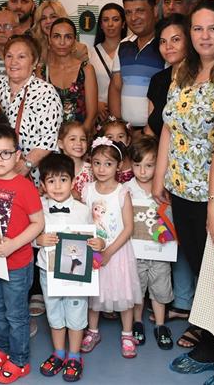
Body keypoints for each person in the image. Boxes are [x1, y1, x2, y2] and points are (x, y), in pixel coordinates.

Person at [152, 0, 214, 381]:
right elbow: (169, 126)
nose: (204, 36)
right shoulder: (182, 70)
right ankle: (212, 341)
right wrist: (160, 176)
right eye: (198, 28)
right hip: (181, 189)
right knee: (201, 269)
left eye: (213, 28)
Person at [0, 124, 45, 384]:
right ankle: (2, 349)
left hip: (17, 263)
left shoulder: (25, 187)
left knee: (16, 315)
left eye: (5, 153)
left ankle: (19, 360)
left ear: (17, 155)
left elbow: (38, 223)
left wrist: (13, 244)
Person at [35, 153, 101, 381]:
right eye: (51, 181)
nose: (57, 186)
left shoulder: (83, 210)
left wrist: (99, 244)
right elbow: (31, 234)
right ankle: (58, 353)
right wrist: (39, 240)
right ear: (43, 184)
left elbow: (95, 236)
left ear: (72, 182)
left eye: (63, 180)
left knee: (76, 313)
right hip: (48, 270)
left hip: (76, 274)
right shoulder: (39, 208)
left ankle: (74, 356)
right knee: (54, 313)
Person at [80, 138, 142, 359]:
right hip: (93, 251)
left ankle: (127, 334)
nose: (101, 169)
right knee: (94, 293)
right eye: (97, 163)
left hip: (117, 251)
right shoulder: (87, 190)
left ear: (118, 165)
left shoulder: (122, 192)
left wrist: (109, 251)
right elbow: (82, 219)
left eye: (108, 164)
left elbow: (129, 227)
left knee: (123, 293)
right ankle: (92, 331)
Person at [125, 135, 175, 351]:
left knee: (160, 288)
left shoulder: (164, 189)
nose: (142, 171)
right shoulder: (126, 189)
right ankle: (137, 322)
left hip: (160, 251)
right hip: (134, 252)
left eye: (149, 165)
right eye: (137, 165)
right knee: (137, 289)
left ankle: (160, 325)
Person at [0, 35, 63, 180]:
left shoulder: (45, 92)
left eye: (21, 57)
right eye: (9, 56)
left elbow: (50, 137)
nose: (13, 62)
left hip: (33, 174)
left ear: (34, 62)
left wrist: (26, 164)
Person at [109, 0, 162, 133]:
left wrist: (150, 131)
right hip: (127, 132)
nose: (133, 18)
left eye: (140, 11)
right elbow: (116, 87)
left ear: (154, 11)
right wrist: (118, 126)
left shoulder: (166, 45)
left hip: (155, 133)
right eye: (128, 12)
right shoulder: (123, 45)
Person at [42, 18, 98, 135]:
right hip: (49, 139)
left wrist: (77, 139)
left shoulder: (86, 70)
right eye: (57, 36)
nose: (62, 42)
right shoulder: (42, 71)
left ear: (74, 40)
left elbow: (92, 115)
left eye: (68, 37)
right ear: (49, 40)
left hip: (80, 140)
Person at [145, 14, 188, 138]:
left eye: (175, 39)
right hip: (157, 147)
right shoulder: (157, 80)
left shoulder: (201, 80)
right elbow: (150, 128)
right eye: (163, 41)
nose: (168, 46)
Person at [89, 3, 127, 123]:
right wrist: (95, 103)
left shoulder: (131, 52)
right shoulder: (90, 54)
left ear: (123, 24)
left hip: (126, 115)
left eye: (115, 19)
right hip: (100, 117)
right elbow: (83, 86)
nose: (110, 24)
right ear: (101, 25)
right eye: (105, 20)